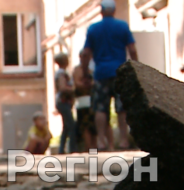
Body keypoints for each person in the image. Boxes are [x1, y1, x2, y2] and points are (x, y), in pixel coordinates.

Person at [83, 0, 138, 151]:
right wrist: (137, 69)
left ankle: (101, 141)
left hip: (101, 74)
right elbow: (132, 49)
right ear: (114, 11)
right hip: (120, 72)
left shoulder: (93, 29)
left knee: (100, 108)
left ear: (101, 11)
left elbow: (86, 53)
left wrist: (85, 73)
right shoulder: (122, 26)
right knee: (121, 108)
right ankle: (124, 140)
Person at [72, 49, 96, 150]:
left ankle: (94, 146)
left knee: (93, 125)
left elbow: (95, 82)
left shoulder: (93, 69)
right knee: (84, 125)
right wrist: (86, 85)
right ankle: (88, 147)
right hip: (82, 101)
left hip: (93, 99)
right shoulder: (77, 69)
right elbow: (77, 83)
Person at [54, 53, 77, 154]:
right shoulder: (61, 74)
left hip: (63, 102)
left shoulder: (60, 73)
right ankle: (72, 148)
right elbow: (63, 88)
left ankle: (61, 149)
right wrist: (73, 89)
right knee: (71, 125)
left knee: (66, 127)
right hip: (63, 102)